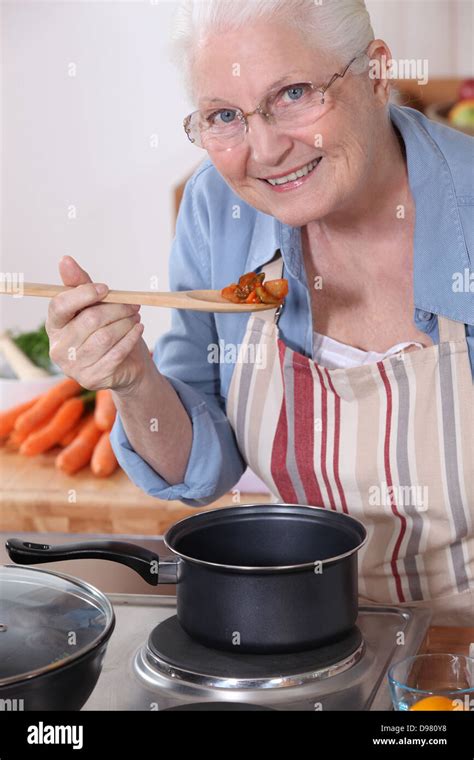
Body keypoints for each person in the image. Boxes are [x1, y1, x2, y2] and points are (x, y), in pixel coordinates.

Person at [47, 0, 473, 624]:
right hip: (297, 629)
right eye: (224, 116)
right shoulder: (218, 208)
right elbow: (203, 469)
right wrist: (134, 382)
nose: (265, 150)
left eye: (295, 93)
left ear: (378, 73)